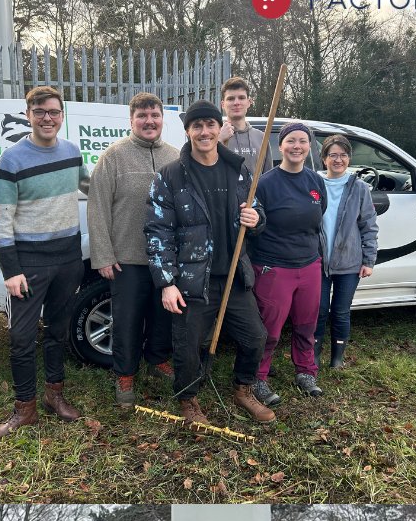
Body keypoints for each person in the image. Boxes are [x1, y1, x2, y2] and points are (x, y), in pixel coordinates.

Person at [145, 99, 276, 428]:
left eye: (210, 125)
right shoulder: (171, 176)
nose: (204, 131)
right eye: (197, 126)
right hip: (192, 280)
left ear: (220, 129)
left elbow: (257, 212)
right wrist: (167, 282)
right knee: (187, 346)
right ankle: (189, 398)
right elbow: (157, 231)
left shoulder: (238, 169)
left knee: (255, 337)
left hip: (233, 276)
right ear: (188, 132)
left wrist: (255, 217)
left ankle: (243, 389)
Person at [0, 85, 84, 443]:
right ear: (28, 115)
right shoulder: (10, 160)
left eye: (54, 112)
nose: (47, 118)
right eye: (40, 111)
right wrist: (10, 270)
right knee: (22, 336)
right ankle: (24, 409)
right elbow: (0, 219)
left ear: (62, 116)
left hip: (69, 260)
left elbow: (93, 185)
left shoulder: (72, 153)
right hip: (29, 265)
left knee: (58, 330)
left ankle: (54, 394)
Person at [87, 92, 180, 408]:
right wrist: (103, 255)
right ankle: (125, 375)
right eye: (142, 116)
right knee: (126, 321)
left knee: (162, 316)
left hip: (166, 258)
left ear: (161, 120)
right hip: (127, 258)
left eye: (154, 115)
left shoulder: (176, 157)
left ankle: (157, 360)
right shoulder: (113, 157)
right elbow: (97, 207)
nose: (149, 121)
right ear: (131, 121)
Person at [249, 121, 328, 401]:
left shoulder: (315, 181)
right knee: (269, 329)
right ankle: (257, 378)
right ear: (280, 145)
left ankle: (306, 371)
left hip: (308, 265)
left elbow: (319, 215)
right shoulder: (265, 183)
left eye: (303, 141)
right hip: (273, 267)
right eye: (291, 141)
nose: (297, 146)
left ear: (309, 147)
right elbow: (255, 225)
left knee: (307, 323)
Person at [315, 134, 378, 369]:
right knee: (319, 311)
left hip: (349, 263)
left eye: (343, 155)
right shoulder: (315, 184)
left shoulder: (360, 189)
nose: (338, 159)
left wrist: (369, 260)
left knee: (341, 311)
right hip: (318, 263)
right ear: (324, 159)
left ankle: (337, 357)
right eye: (333, 155)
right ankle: (314, 354)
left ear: (349, 158)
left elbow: (369, 226)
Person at [217, 76, 266, 173]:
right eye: (231, 99)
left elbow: (268, 178)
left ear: (249, 102)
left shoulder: (261, 137)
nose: (236, 103)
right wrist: (219, 141)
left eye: (241, 98)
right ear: (223, 104)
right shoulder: (213, 136)